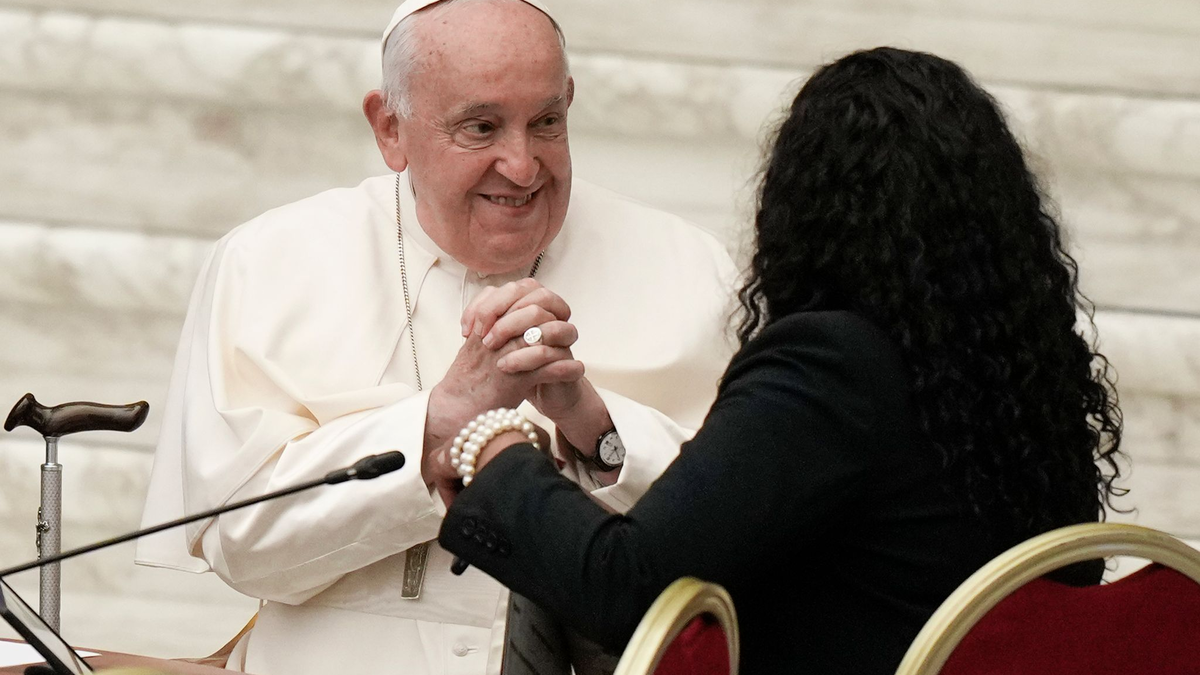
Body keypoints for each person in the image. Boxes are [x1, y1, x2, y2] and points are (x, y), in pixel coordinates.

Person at [437, 46, 1126, 674]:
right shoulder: (1021, 383)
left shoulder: (830, 367)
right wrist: (592, 424)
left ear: (808, 209)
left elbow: (628, 584)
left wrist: (488, 442)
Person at [134, 1, 737, 674]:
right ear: (390, 129)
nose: (522, 165)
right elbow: (238, 538)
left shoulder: (689, 268)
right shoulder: (268, 261)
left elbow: (740, 535)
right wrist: (434, 424)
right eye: (481, 128)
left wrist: (598, 430)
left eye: (546, 123)